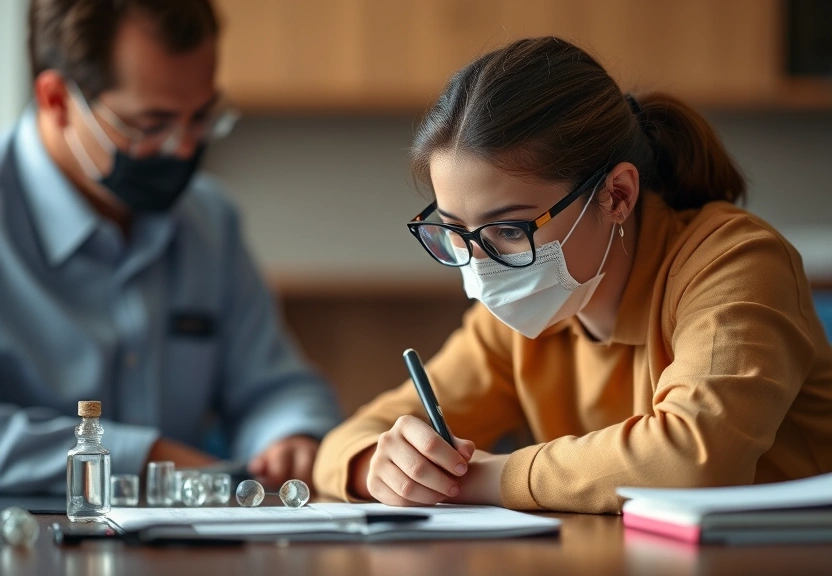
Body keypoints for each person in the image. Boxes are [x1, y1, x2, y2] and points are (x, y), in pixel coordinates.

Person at [313, 37, 832, 512]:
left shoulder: (738, 263)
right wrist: (376, 466)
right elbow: (346, 441)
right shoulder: (521, 318)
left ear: (617, 195)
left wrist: (479, 478)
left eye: (511, 229)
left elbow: (694, 460)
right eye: (455, 231)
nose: (482, 264)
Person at [0, 0, 340, 494]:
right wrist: (142, 457)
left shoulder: (209, 221)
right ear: (56, 100)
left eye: (201, 117)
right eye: (151, 124)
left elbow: (275, 384)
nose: (183, 148)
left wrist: (292, 434)